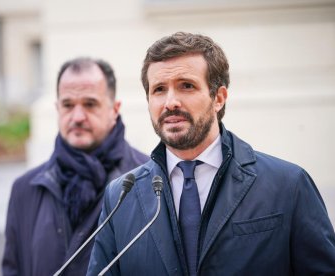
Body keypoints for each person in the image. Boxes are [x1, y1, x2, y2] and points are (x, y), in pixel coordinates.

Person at [87, 32, 335, 275]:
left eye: (187, 86)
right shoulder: (121, 196)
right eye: (159, 89)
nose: (170, 102)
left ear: (219, 98)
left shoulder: (288, 185)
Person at [2, 57, 148, 276]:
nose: (77, 117)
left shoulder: (149, 180)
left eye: (90, 104)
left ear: (114, 109)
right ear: (57, 108)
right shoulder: (25, 189)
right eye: (68, 105)